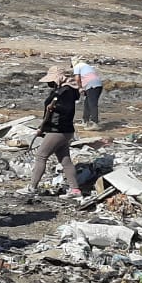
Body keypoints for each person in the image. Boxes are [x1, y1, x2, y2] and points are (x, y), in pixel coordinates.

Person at [20, 65, 82, 199]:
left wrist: (55, 107)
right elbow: (50, 112)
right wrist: (42, 128)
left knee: (41, 156)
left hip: (58, 130)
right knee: (65, 160)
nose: (50, 83)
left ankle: (32, 188)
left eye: (52, 80)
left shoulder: (66, 91)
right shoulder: (61, 90)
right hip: (64, 130)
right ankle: (75, 190)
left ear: (59, 78)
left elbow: (66, 110)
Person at [71, 54, 102, 129]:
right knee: (87, 103)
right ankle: (85, 121)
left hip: (92, 85)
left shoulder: (78, 66)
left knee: (92, 104)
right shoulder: (87, 66)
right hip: (97, 85)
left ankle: (95, 123)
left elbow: (77, 78)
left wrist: (80, 88)